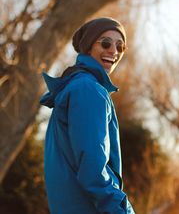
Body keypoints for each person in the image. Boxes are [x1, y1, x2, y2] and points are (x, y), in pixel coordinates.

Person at [40, 17, 135, 214]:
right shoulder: (88, 90)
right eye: (106, 43)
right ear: (88, 46)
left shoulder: (75, 87)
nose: (114, 51)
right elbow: (93, 168)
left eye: (120, 46)